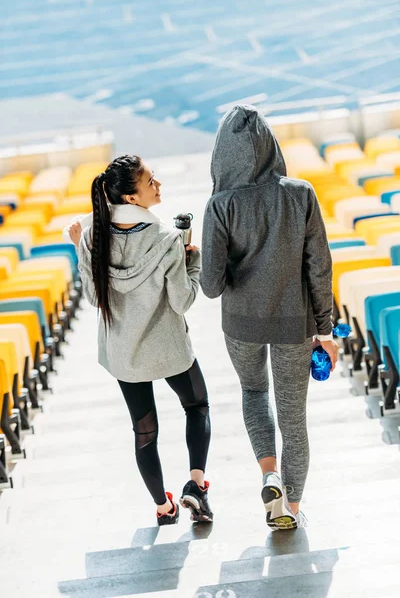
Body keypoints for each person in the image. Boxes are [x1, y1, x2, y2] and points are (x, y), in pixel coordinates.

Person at [200, 105, 337, 530]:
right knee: (294, 419)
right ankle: (290, 509)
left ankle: (269, 475)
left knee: (254, 392)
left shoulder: (219, 205)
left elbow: (211, 286)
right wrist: (326, 329)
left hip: (241, 323)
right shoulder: (300, 193)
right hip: (293, 322)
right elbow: (319, 265)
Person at [68, 154, 212, 525]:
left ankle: (164, 508)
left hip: (125, 356)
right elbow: (183, 300)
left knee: (144, 430)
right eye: (151, 182)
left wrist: (79, 249)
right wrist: (191, 263)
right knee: (196, 407)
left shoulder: (92, 239)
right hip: (169, 349)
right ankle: (195, 486)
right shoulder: (166, 240)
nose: (158, 186)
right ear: (131, 198)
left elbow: (95, 298)